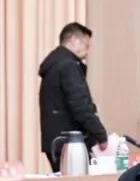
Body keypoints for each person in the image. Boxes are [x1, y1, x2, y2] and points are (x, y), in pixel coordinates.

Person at [38, 22, 108, 171]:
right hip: (71, 143)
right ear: (74, 40)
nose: (87, 52)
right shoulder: (68, 66)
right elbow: (81, 105)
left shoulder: (53, 65)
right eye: (86, 46)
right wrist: (100, 135)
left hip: (55, 141)